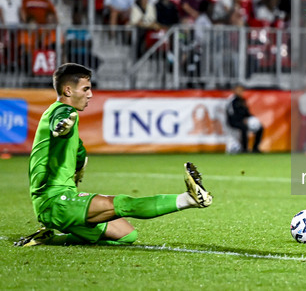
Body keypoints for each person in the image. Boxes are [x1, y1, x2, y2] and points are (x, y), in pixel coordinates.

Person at [15, 63, 212, 246]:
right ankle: (189, 199)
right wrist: (62, 127)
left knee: (127, 235)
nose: (91, 94)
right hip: (54, 202)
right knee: (122, 204)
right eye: (86, 89)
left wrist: (79, 164)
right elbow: (60, 123)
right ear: (68, 90)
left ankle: (49, 239)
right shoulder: (61, 112)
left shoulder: (69, 122)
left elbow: (78, 150)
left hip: (64, 199)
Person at [226, 84, 264, 153]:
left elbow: (247, 112)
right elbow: (231, 114)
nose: (240, 92)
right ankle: (244, 149)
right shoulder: (232, 101)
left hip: (245, 121)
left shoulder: (243, 100)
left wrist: (252, 118)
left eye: (242, 90)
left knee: (260, 128)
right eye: (238, 90)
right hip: (234, 121)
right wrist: (242, 120)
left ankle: (255, 148)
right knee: (244, 128)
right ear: (234, 91)